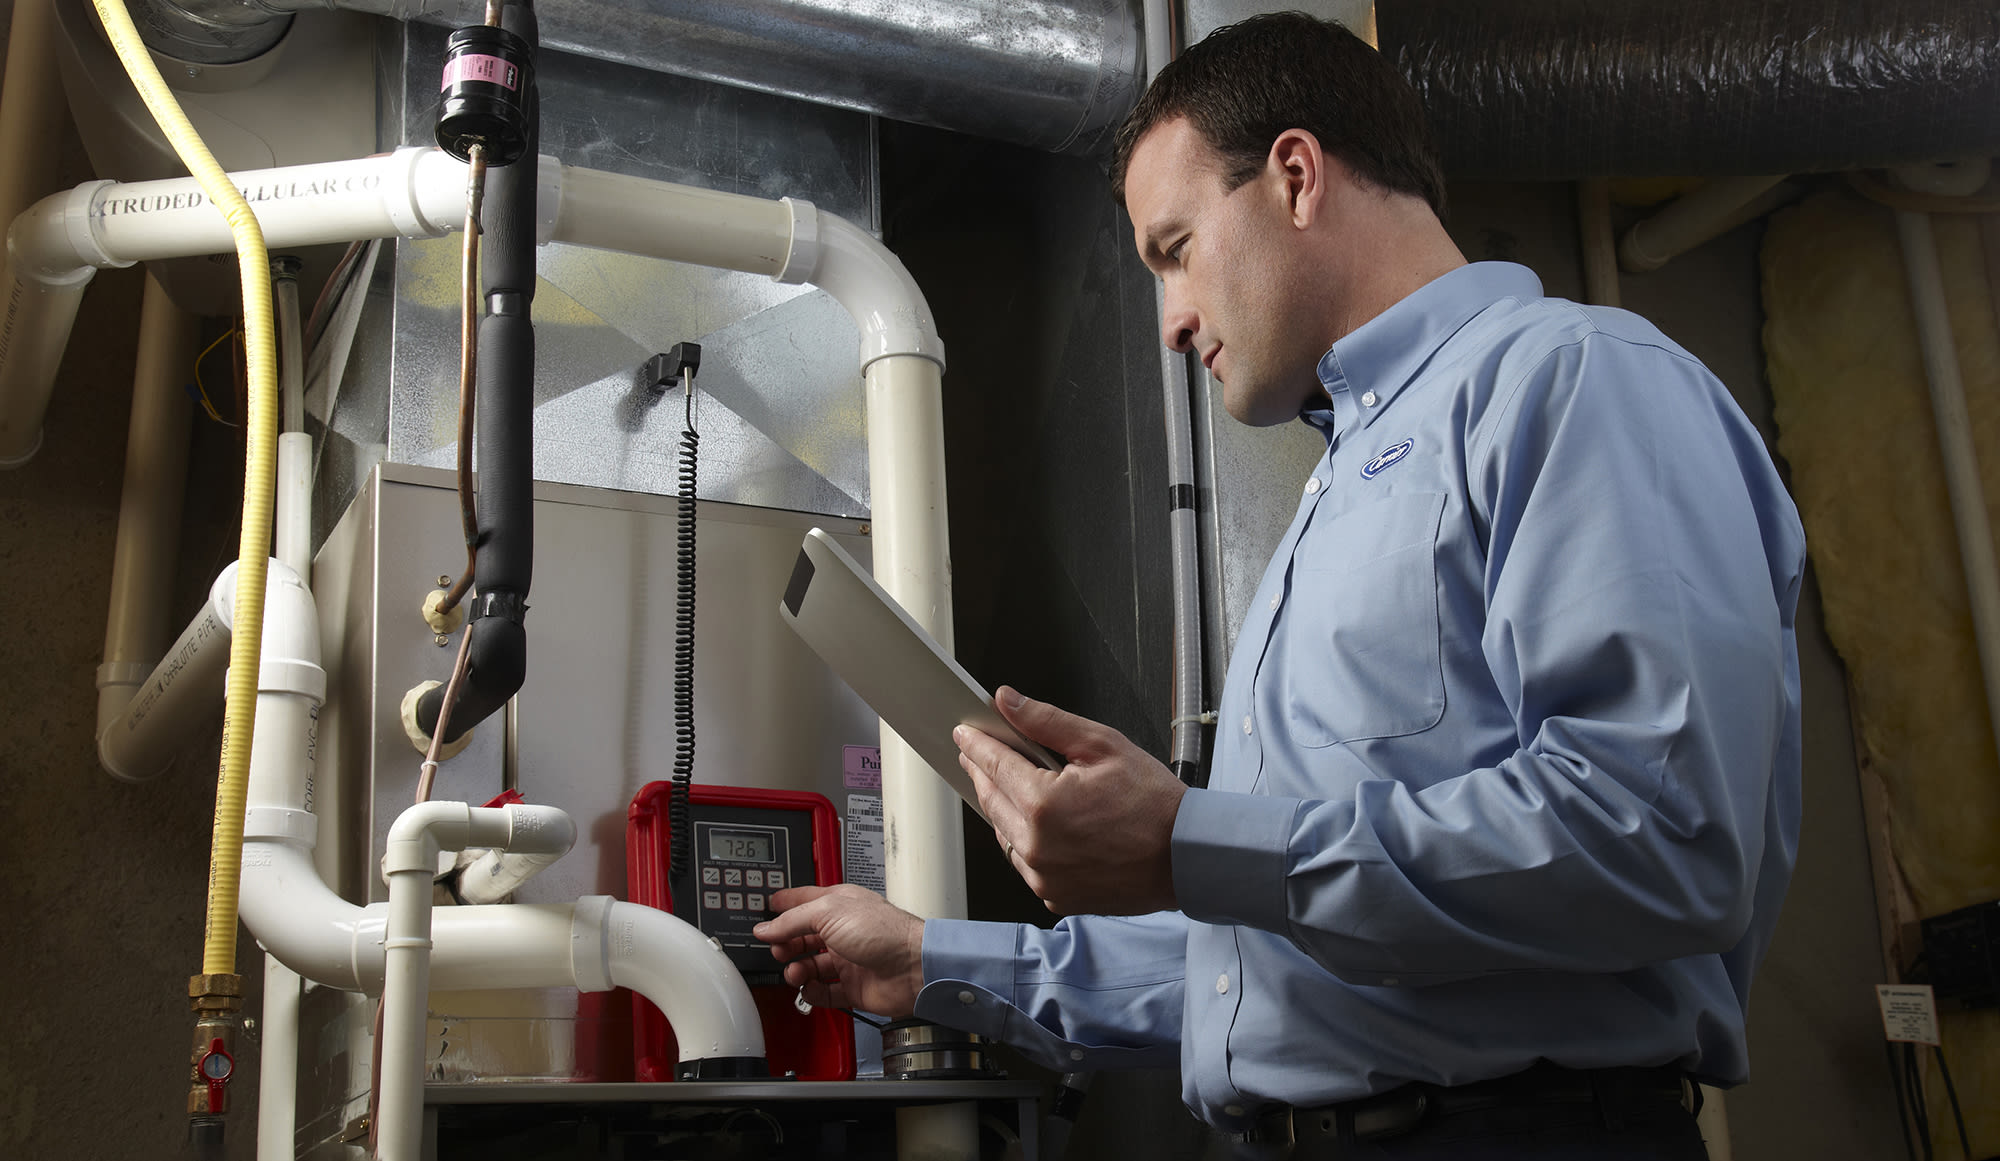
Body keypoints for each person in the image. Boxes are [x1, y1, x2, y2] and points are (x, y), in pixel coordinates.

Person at [757, 12, 1805, 1159]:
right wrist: (935, 962)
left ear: (1295, 177)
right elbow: (1264, 969)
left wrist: (1188, 845)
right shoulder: (1338, 489)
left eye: (1174, 250)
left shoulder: (1575, 380)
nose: (1169, 322)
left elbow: (1661, 833)